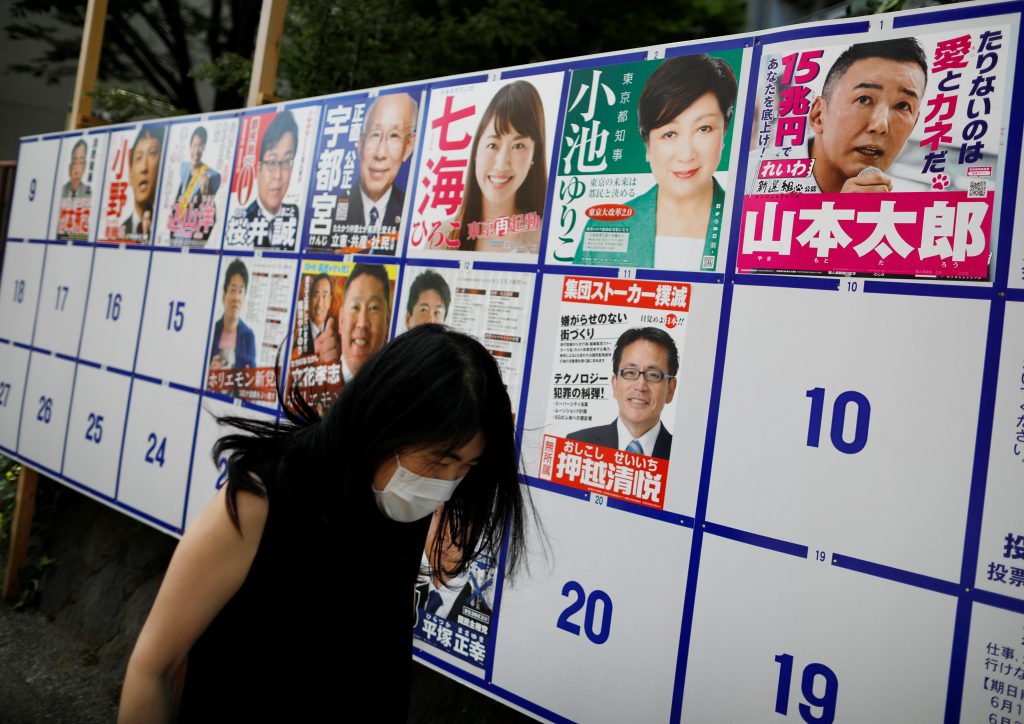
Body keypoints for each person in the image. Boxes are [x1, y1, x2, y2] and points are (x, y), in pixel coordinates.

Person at [119, 325, 530, 721]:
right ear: (386, 423)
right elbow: (154, 667)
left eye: (465, 467)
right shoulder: (261, 501)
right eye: (440, 460)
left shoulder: (401, 504)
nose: (445, 485)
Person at [575, 54, 737, 270]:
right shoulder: (604, 229)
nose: (686, 154)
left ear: (724, 131)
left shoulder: (747, 227)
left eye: (703, 129)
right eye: (669, 134)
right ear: (648, 144)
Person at [807, 38, 928, 194]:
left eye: (902, 106)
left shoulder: (907, 208)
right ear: (818, 115)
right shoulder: (770, 180)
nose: (880, 125)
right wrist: (837, 213)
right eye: (864, 99)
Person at [451, 80, 548, 253]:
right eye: (493, 145)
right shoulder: (445, 235)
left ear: (535, 155)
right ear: (475, 151)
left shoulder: (545, 239)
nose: (502, 163)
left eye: (518, 146)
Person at [568, 327, 678, 459]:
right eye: (630, 373)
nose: (641, 386)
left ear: (670, 389)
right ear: (615, 384)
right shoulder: (576, 444)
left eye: (653, 375)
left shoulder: (684, 456)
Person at [346, 93, 418, 243]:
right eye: (375, 134)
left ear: (408, 147)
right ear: (360, 144)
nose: (380, 153)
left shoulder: (414, 214)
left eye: (394, 136)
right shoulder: (330, 210)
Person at [243, 111, 300, 248]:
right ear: (258, 167)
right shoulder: (241, 221)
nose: (278, 175)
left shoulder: (297, 217)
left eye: (286, 162)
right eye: (272, 162)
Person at [171, 126, 221, 245]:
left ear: (204, 148)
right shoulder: (184, 171)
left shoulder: (211, 176)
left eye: (200, 146)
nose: (196, 150)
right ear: (189, 147)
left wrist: (205, 191)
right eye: (194, 145)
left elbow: (210, 212)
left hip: (193, 238)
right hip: (176, 236)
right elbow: (176, 205)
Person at [208, 259, 255, 373]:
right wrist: (208, 372)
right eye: (233, 290)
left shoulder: (248, 337)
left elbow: (252, 384)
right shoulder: (211, 331)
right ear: (224, 295)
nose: (236, 298)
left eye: (240, 291)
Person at [120, 125, 164, 243]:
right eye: (138, 158)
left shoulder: (165, 231)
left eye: (152, 154)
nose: (144, 168)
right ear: (130, 174)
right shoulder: (119, 233)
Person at [57, 139, 91, 240]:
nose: (77, 167)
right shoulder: (61, 191)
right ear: (70, 165)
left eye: (81, 162)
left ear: (85, 166)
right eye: (75, 161)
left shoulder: (89, 193)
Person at [295, 273, 335, 355]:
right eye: (316, 295)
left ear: (330, 301)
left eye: (324, 296)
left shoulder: (336, 335)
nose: (320, 304)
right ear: (310, 298)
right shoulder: (298, 336)